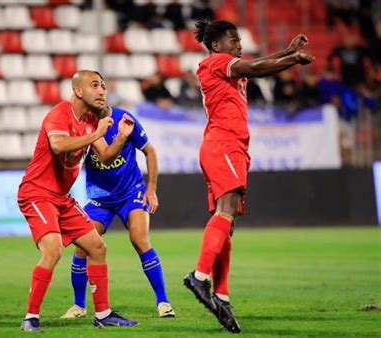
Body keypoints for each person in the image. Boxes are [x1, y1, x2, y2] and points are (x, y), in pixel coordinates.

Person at [183, 20, 314, 333]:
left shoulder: (229, 65)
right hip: (222, 145)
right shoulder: (217, 63)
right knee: (226, 211)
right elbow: (256, 69)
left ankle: (221, 295)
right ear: (216, 45)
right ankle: (199, 277)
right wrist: (291, 59)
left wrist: (288, 51)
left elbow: (254, 67)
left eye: (239, 40)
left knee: (227, 223)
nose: (239, 44)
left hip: (234, 148)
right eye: (233, 40)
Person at [17, 70, 138, 332]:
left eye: (104, 86)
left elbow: (105, 156)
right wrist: (96, 134)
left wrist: (119, 137)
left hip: (61, 198)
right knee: (53, 250)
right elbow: (59, 146)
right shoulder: (60, 113)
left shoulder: (90, 121)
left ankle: (103, 314)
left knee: (97, 248)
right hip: (37, 193)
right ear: (79, 91)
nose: (102, 90)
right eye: (95, 85)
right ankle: (30, 318)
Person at [61, 101, 175, 319]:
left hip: (131, 192)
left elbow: (150, 151)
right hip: (100, 198)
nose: (100, 95)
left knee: (139, 239)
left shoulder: (125, 119)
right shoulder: (85, 126)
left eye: (102, 90)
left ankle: (163, 301)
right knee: (81, 247)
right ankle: (78, 306)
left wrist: (151, 189)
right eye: (95, 91)